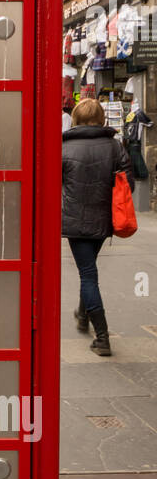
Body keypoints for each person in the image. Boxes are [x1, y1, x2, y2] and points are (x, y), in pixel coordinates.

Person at [63, 97, 134, 357]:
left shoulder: (64, 147)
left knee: (88, 274)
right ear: (101, 118)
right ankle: (83, 315)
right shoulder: (115, 147)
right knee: (88, 269)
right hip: (104, 220)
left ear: (76, 119)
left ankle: (102, 337)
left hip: (74, 221)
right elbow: (129, 185)